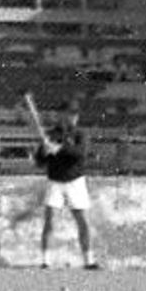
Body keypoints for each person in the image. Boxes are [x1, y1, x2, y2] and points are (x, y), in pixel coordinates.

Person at [23, 94, 101, 269]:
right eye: (69, 113)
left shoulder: (80, 134)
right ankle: (45, 261)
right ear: (61, 115)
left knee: (83, 221)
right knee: (50, 220)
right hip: (55, 181)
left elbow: (79, 154)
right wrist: (43, 151)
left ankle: (89, 260)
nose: (73, 117)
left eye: (75, 114)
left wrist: (59, 148)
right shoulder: (50, 135)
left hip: (75, 181)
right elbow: (40, 162)